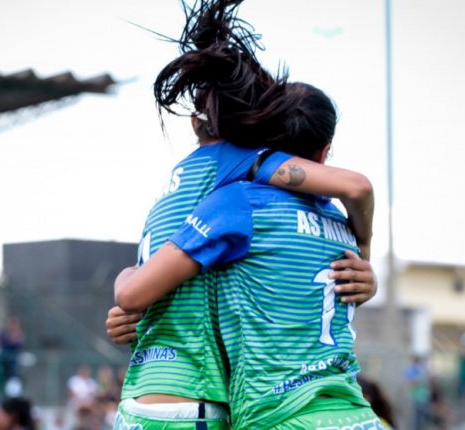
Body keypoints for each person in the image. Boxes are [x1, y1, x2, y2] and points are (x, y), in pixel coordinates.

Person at [108, 1, 376, 429]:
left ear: (194, 122)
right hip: (345, 411)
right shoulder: (272, 192)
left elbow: (136, 293)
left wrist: (126, 281)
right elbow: (356, 187)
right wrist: (364, 252)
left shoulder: (194, 190)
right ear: (323, 153)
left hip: (172, 397)